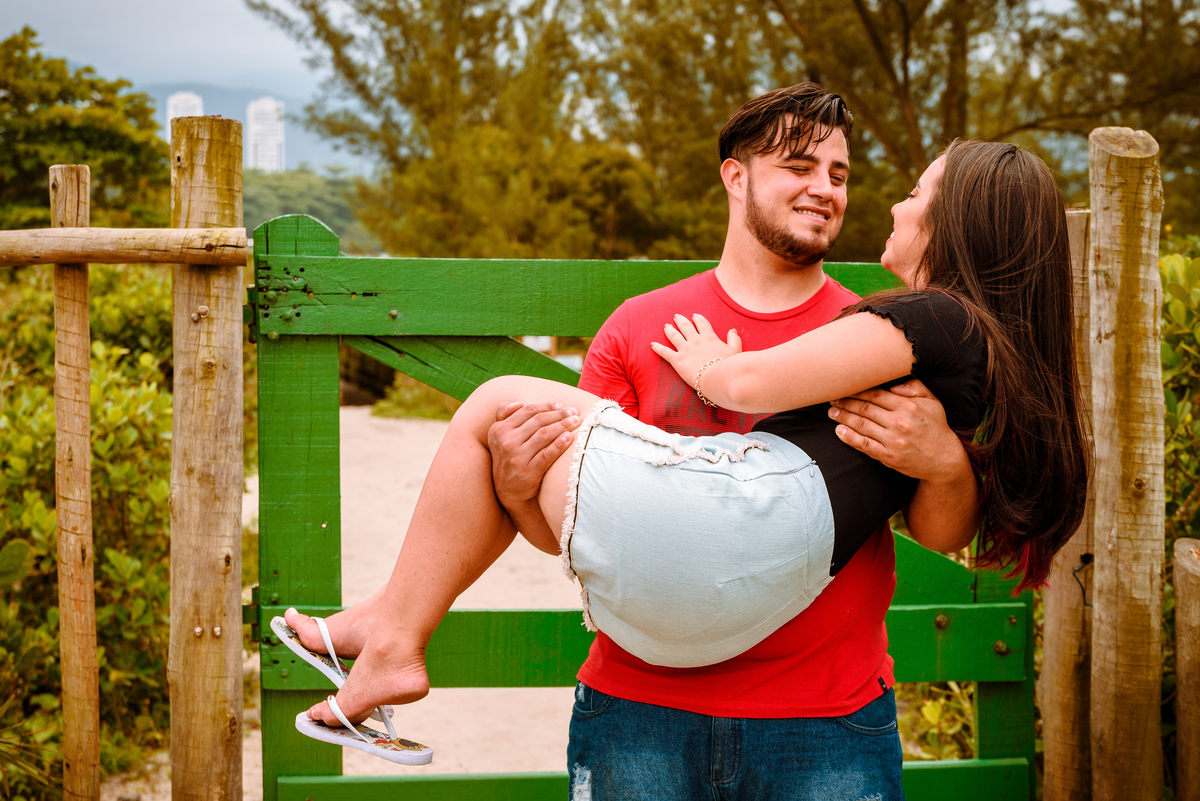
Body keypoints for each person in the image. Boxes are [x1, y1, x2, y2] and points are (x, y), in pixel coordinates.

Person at [283, 135, 1089, 797]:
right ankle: (388, 626)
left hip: (786, 640)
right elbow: (590, 541)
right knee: (507, 432)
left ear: (956, 223)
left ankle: (391, 633)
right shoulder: (973, 350)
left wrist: (714, 366)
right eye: (803, 167)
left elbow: (755, 385)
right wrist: (524, 486)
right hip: (705, 618)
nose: (888, 202)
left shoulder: (920, 317)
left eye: (914, 192)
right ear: (736, 177)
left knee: (493, 398)